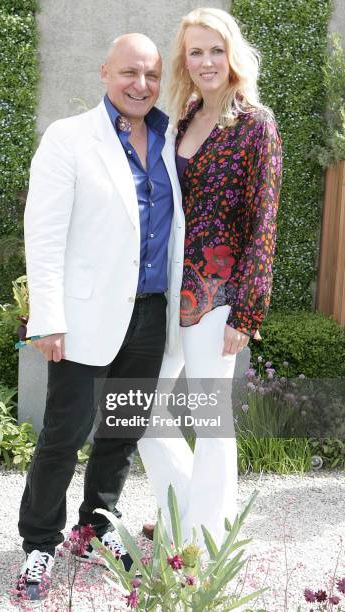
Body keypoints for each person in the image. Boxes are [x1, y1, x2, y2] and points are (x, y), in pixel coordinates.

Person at [17, 33, 184, 599]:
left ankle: (96, 527)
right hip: (85, 316)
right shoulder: (68, 138)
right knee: (65, 434)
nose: (141, 85)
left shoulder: (168, 138)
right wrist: (47, 317)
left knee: (122, 432)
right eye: (129, 73)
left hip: (151, 313)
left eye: (152, 76)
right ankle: (39, 543)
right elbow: (42, 236)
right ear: (104, 72)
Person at [138, 7, 282, 548]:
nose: (205, 61)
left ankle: (206, 541)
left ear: (233, 54)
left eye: (215, 50)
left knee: (209, 418)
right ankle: (186, 516)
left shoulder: (256, 124)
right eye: (195, 52)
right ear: (184, 61)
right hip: (168, 286)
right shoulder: (182, 118)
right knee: (140, 409)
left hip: (217, 296)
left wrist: (246, 312)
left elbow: (263, 223)